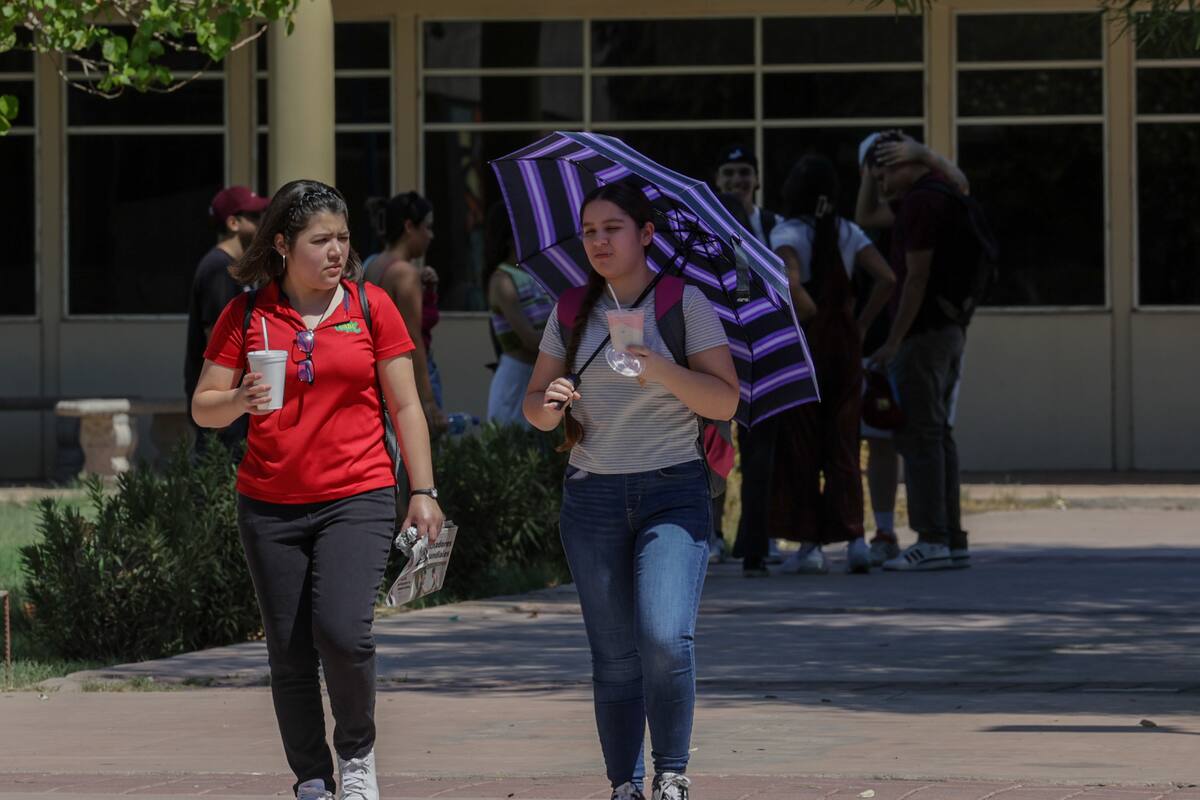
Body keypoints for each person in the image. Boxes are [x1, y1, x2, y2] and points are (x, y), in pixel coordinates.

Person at [192, 180, 445, 800]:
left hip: (356, 494)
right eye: (320, 240)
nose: (337, 251)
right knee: (289, 651)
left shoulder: (369, 306)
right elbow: (203, 407)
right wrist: (239, 399)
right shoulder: (247, 313)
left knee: (343, 632)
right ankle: (311, 776)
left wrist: (424, 490)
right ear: (281, 244)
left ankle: (356, 755)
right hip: (269, 503)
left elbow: (405, 405)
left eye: (343, 238)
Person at [524, 182, 739, 800]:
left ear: (646, 234)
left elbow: (724, 399)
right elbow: (534, 409)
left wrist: (661, 369)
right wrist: (553, 401)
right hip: (591, 497)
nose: (598, 241)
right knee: (615, 655)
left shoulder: (681, 302)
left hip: (672, 489)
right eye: (589, 231)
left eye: (612, 228)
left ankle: (672, 771)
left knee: (666, 637)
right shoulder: (570, 309)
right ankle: (625, 782)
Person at [768, 155, 895, 575]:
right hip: (845, 349)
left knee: (803, 445)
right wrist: (859, 325)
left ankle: (810, 546)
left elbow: (789, 277)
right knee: (843, 444)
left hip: (806, 348)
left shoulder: (787, 231)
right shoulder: (848, 230)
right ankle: (856, 539)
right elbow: (887, 278)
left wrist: (808, 313)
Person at [860, 132, 979, 571]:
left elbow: (915, 277)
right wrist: (872, 174)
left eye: (887, 167)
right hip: (944, 332)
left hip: (924, 335)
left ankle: (932, 538)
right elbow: (865, 212)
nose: (881, 177)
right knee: (938, 434)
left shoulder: (922, 203)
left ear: (911, 164)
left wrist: (893, 340)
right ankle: (952, 537)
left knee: (922, 436)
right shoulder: (934, 194)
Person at [713, 145, 784, 575]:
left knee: (761, 452)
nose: (738, 179)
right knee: (715, 448)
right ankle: (713, 535)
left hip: (764, 351)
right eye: (729, 172)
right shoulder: (702, 225)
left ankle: (758, 537)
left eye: (745, 172)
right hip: (714, 353)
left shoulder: (776, 225)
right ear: (717, 180)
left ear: (757, 179)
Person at [184, 185, 269, 458]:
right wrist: (225, 406)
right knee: (215, 486)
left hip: (237, 405)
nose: (262, 223)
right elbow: (217, 339)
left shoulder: (234, 267)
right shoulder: (219, 268)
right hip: (223, 409)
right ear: (233, 222)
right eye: (255, 217)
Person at [363, 191, 448, 433]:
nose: (430, 236)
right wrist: (428, 401)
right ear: (409, 226)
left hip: (379, 374)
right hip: (407, 376)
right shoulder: (405, 274)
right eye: (427, 227)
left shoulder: (372, 264)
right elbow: (413, 338)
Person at [483, 203, 553, 426]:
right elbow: (529, 339)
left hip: (541, 378)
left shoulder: (536, 275)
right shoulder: (502, 280)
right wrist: (569, 342)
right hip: (516, 379)